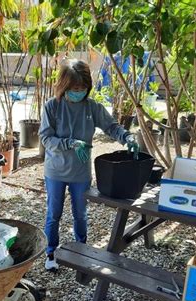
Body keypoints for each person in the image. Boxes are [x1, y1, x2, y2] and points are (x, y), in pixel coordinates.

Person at [39, 59, 138, 271]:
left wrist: (127, 137)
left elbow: (111, 126)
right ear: (64, 86)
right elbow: (46, 139)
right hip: (55, 170)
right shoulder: (52, 107)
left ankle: (81, 251)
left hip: (81, 172)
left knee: (81, 213)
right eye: (75, 88)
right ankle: (50, 252)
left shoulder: (92, 107)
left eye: (83, 88)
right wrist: (70, 143)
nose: (79, 92)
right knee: (53, 213)